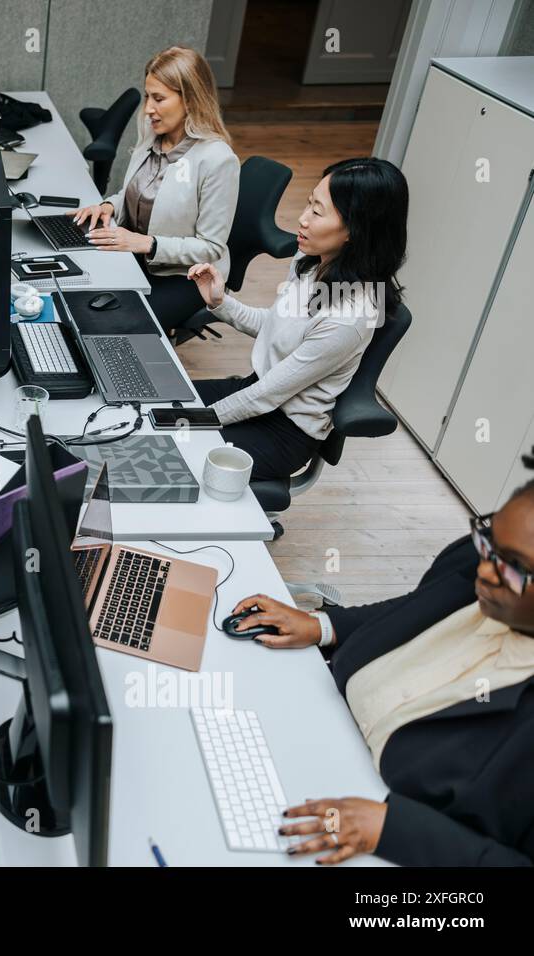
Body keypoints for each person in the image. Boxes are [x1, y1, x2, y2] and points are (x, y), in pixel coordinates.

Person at [229, 479, 534, 866]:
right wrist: (323, 625)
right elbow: (414, 609)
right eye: (489, 543)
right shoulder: (479, 567)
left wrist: (393, 830)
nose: (487, 571)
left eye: (517, 568)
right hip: (317, 726)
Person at [186, 157, 409, 482]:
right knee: (155, 404)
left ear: (355, 229)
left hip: (282, 430)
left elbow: (268, 396)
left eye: (317, 212)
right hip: (255, 389)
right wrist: (221, 302)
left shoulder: (349, 317)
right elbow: (276, 328)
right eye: (309, 204)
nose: (302, 220)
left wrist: (191, 421)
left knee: (173, 450)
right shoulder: (310, 258)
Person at [71, 46, 239, 335]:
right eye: (148, 96)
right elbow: (136, 193)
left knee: (108, 327)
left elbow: (211, 247)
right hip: (136, 256)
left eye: (159, 99)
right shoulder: (154, 135)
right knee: (74, 296)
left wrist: (146, 243)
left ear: (190, 99)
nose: (148, 108)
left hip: (184, 277)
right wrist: (109, 206)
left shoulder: (217, 159)